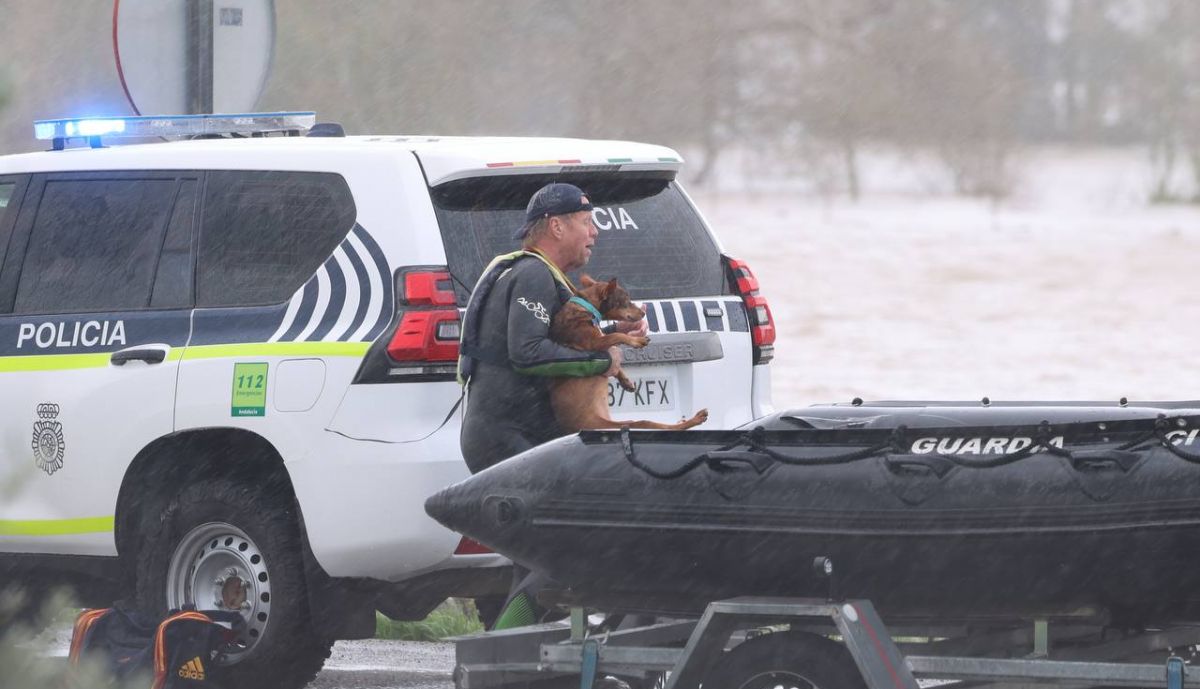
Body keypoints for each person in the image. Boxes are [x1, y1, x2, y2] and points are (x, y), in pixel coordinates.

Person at [457, 182, 647, 631]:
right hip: (502, 438)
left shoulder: (547, 279)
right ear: (556, 227)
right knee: (553, 551)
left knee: (543, 555)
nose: (595, 232)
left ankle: (522, 656)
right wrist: (600, 359)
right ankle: (500, 656)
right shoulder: (532, 275)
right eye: (587, 223)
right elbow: (527, 353)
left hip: (520, 437)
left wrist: (617, 328)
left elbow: (563, 337)